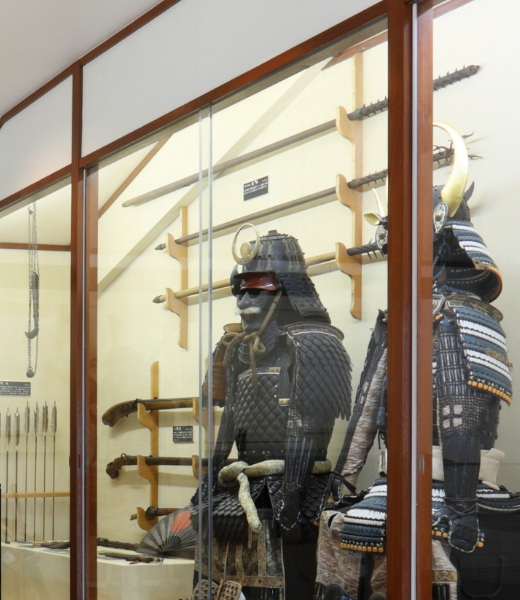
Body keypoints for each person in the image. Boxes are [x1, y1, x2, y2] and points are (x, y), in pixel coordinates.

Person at [315, 122, 516, 600]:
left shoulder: (464, 317)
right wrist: (340, 485)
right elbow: (368, 407)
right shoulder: (401, 320)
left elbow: (462, 417)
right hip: (394, 481)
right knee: (340, 525)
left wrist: (462, 508)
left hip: (452, 488)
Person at [189, 226, 353, 600]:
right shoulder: (236, 349)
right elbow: (230, 418)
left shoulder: (313, 342)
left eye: (257, 290)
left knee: (284, 585)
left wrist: (292, 493)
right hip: (242, 486)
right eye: (242, 291)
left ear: (285, 290)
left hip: (294, 488)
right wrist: (210, 481)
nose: (244, 301)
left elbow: (308, 424)